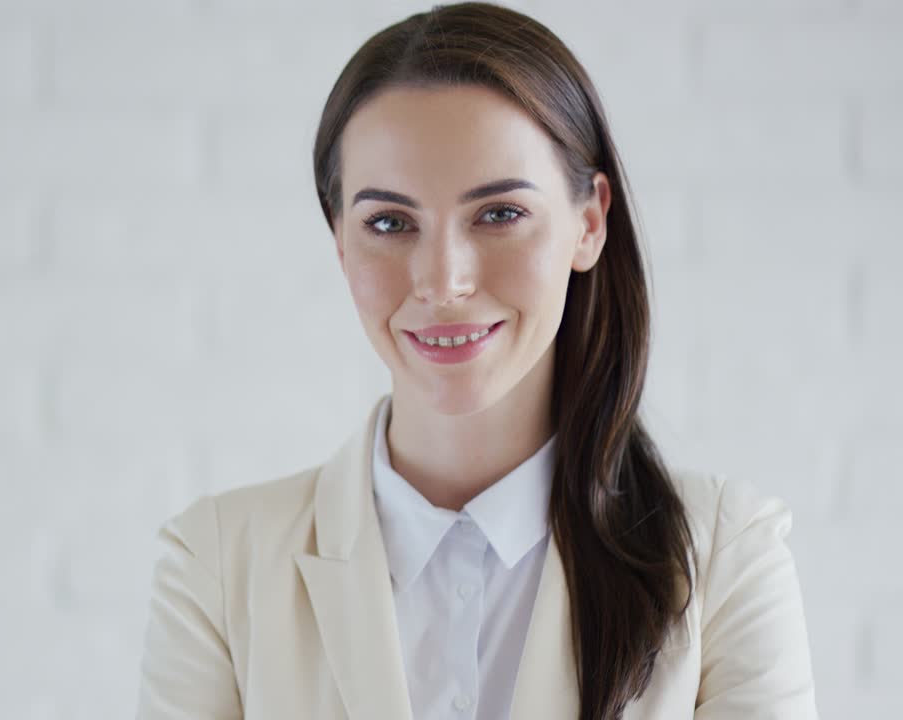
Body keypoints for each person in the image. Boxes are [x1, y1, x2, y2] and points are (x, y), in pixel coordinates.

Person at [134, 3, 819, 719]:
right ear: (342, 245)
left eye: (498, 214)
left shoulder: (724, 559)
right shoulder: (216, 567)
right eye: (390, 223)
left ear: (588, 225)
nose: (442, 281)